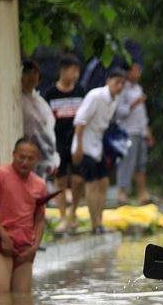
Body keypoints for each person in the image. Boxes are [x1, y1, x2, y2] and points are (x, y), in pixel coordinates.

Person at [0, 138, 48, 293]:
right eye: (21, 157)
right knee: (0, 296)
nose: (25, 162)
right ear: (13, 155)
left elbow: (39, 219)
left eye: (30, 158)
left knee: (22, 302)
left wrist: (34, 247)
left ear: (37, 160)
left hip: (25, 247)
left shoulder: (40, 185)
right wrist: (4, 236)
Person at [71, 68, 126, 233]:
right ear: (108, 81)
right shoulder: (95, 96)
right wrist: (79, 147)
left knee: (103, 182)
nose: (120, 86)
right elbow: (80, 121)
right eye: (117, 82)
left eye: (122, 83)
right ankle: (95, 224)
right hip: (85, 144)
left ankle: (100, 221)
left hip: (98, 145)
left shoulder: (114, 101)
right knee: (92, 183)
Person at [43, 54, 85, 233]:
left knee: (77, 180)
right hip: (57, 142)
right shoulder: (50, 93)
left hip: (76, 141)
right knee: (60, 180)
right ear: (63, 70)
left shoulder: (81, 91)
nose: (75, 75)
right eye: (72, 71)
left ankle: (73, 213)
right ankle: (61, 216)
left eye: (77, 71)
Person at [114, 62, 153, 205]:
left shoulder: (138, 88)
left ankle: (142, 193)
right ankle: (122, 192)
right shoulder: (122, 88)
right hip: (127, 131)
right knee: (126, 162)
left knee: (140, 163)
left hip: (140, 130)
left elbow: (142, 113)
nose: (138, 73)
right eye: (136, 70)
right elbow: (119, 112)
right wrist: (134, 103)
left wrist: (147, 130)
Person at [20, 59, 59, 180]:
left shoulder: (40, 101)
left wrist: (54, 158)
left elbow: (49, 130)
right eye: (28, 73)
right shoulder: (19, 100)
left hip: (45, 154)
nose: (32, 77)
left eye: (35, 73)